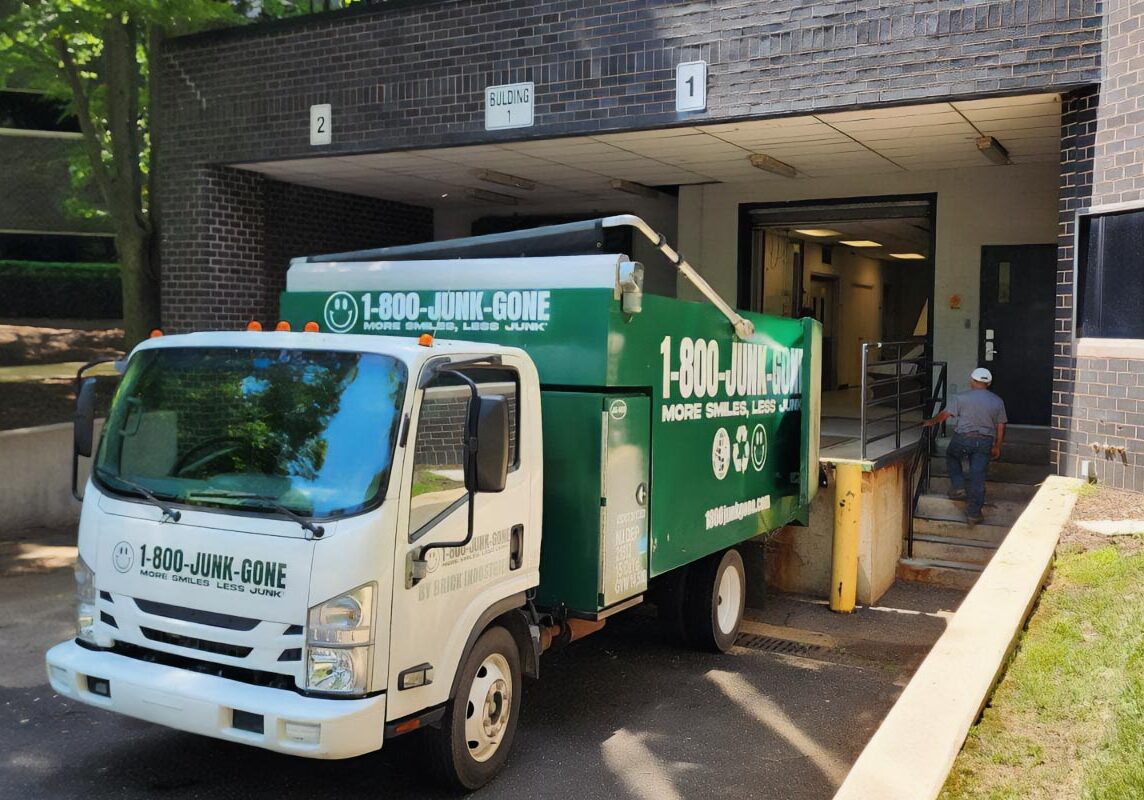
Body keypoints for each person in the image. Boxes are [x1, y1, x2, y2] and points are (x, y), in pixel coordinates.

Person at [923, 367, 1007, 524]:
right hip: (984, 441)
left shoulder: (961, 397)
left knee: (952, 456)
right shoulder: (997, 401)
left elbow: (945, 415)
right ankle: (974, 513)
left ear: (972, 381)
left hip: (962, 438)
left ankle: (959, 486)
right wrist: (997, 446)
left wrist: (931, 422)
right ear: (988, 383)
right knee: (978, 475)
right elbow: (1001, 426)